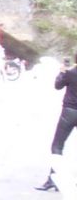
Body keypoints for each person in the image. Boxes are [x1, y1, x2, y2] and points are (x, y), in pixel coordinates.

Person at [38, 54, 77, 190]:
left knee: (57, 146)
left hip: (69, 111)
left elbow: (57, 85)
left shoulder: (70, 73)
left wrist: (61, 72)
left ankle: (53, 180)